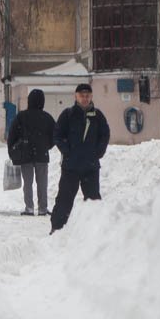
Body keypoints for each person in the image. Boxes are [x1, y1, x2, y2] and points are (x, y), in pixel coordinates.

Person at [50, 83, 110, 233]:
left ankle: (95, 230)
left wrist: (98, 152)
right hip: (71, 167)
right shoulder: (68, 114)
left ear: (91, 97)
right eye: (82, 96)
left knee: (93, 200)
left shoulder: (98, 116)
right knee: (64, 199)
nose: (85, 99)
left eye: (87, 96)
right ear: (76, 96)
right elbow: (57, 135)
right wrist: (67, 151)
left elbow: (105, 135)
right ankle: (57, 228)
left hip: (90, 167)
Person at [7, 88, 56, 216]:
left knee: (27, 183)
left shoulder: (21, 116)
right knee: (42, 183)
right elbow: (55, 136)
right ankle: (42, 208)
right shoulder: (47, 117)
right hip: (42, 155)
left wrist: (12, 150)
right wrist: (46, 146)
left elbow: (12, 134)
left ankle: (29, 208)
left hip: (25, 155)